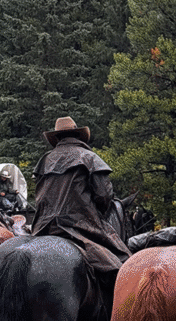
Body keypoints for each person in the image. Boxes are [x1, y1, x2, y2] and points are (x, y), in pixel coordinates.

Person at [31, 116, 130, 298]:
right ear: (79, 135)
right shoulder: (88, 157)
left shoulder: (45, 160)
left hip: (43, 227)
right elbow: (103, 195)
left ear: (57, 138)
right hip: (80, 226)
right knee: (122, 264)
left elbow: (39, 196)